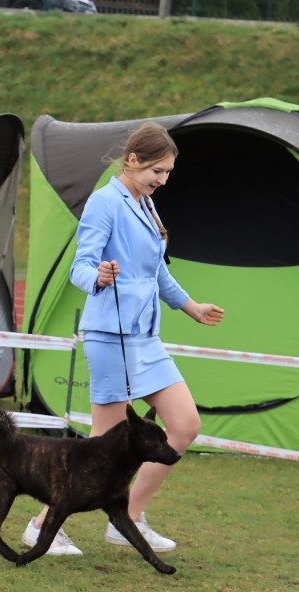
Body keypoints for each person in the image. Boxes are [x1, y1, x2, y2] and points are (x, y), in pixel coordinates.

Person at [22, 122, 225, 556]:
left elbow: (158, 271)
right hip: (109, 335)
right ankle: (42, 526)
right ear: (132, 160)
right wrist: (97, 276)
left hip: (146, 340)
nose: (163, 180)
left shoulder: (146, 204)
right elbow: (80, 265)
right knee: (103, 442)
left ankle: (128, 518)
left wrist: (191, 307)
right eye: (158, 170)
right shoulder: (104, 202)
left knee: (185, 426)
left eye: (168, 172)